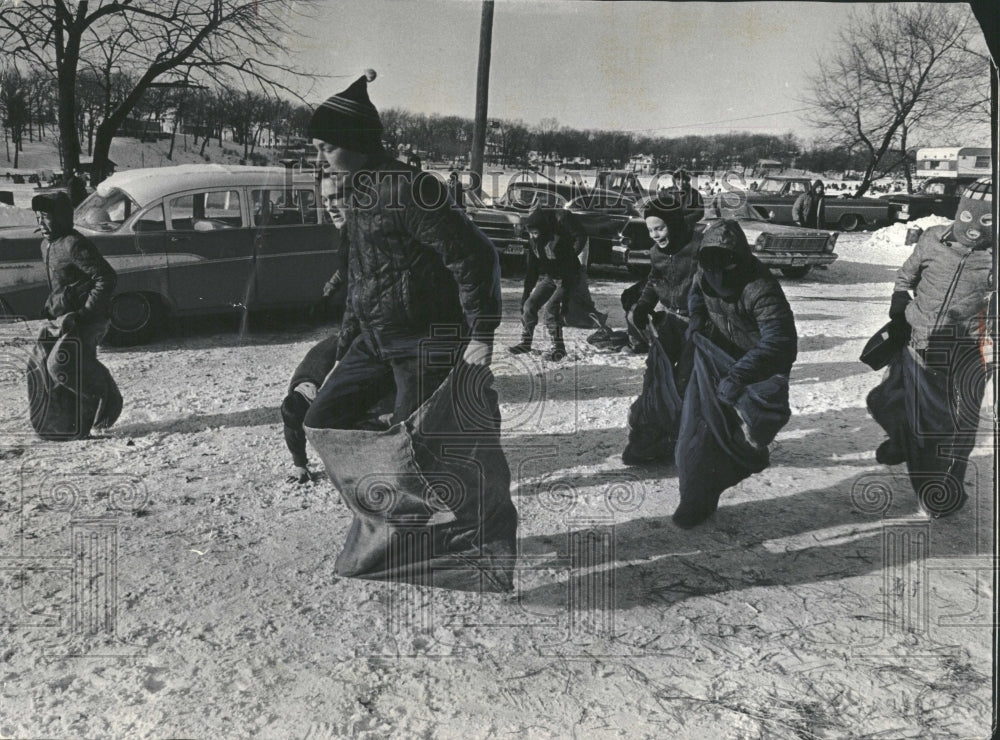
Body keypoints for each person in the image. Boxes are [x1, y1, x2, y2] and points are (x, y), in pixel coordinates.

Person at [300, 72, 515, 590]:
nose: (323, 156)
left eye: (330, 146)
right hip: (374, 341)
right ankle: (399, 525)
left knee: (416, 451)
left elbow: (472, 255)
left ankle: (455, 545)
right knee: (324, 419)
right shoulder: (356, 191)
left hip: (422, 342)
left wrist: (481, 332)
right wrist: (348, 339)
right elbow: (360, 275)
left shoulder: (409, 188)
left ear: (355, 143)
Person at [867, 178, 993, 518]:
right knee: (883, 402)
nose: (973, 229)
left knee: (951, 435)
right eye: (967, 218)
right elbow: (906, 276)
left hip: (964, 358)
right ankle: (903, 440)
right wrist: (898, 301)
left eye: (987, 222)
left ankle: (942, 496)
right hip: (915, 345)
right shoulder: (932, 240)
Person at [675, 219, 798, 528]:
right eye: (710, 263)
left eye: (725, 263)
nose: (717, 273)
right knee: (699, 432)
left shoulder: (760, 288)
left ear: (739, 259)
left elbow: (779, 341)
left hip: (760, 364)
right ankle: (697, 499)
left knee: (756, 429)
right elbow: (697, 294)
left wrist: (740, 375)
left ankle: (751, 443)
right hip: (719, 357)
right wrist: (697, 318)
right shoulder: (704, 271)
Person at [30, 190, 121, 434]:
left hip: (89, 320)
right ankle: (68, 424)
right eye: (38, 216)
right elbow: (64, 283)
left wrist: (86, 313)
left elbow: (106, 278)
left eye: (46, 216)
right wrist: (52, 306)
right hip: (65, 319)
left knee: (63, 367)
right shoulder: (47, 244)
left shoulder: (74, 244)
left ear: (60, 217)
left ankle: (108, 399)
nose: (41, 222)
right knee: (47, 366)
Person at [621, 196, 700, 464]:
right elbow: (654, 281)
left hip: (698, 326)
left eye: (660, 228)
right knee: (655, 377)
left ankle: (682, 439)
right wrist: (643, 306)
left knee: (683, 382)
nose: (656, 235)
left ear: (674, 224)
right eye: (651, 230)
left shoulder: (697, 248)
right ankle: (649, 438)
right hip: (672, 320)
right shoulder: (657, 253)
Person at [508, 207, 582, 361]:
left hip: (568, 278)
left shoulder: (558, 242)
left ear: (543, 229)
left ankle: (558, 348)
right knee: (529, 306)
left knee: (550, 311)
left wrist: (565, 300)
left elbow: (570, 273)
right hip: (550, 278)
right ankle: (526, 342)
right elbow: (532, 271)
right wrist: (525, 295)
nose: (533, 236)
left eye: (535, 233)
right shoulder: (534, 244)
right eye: (530, 233)